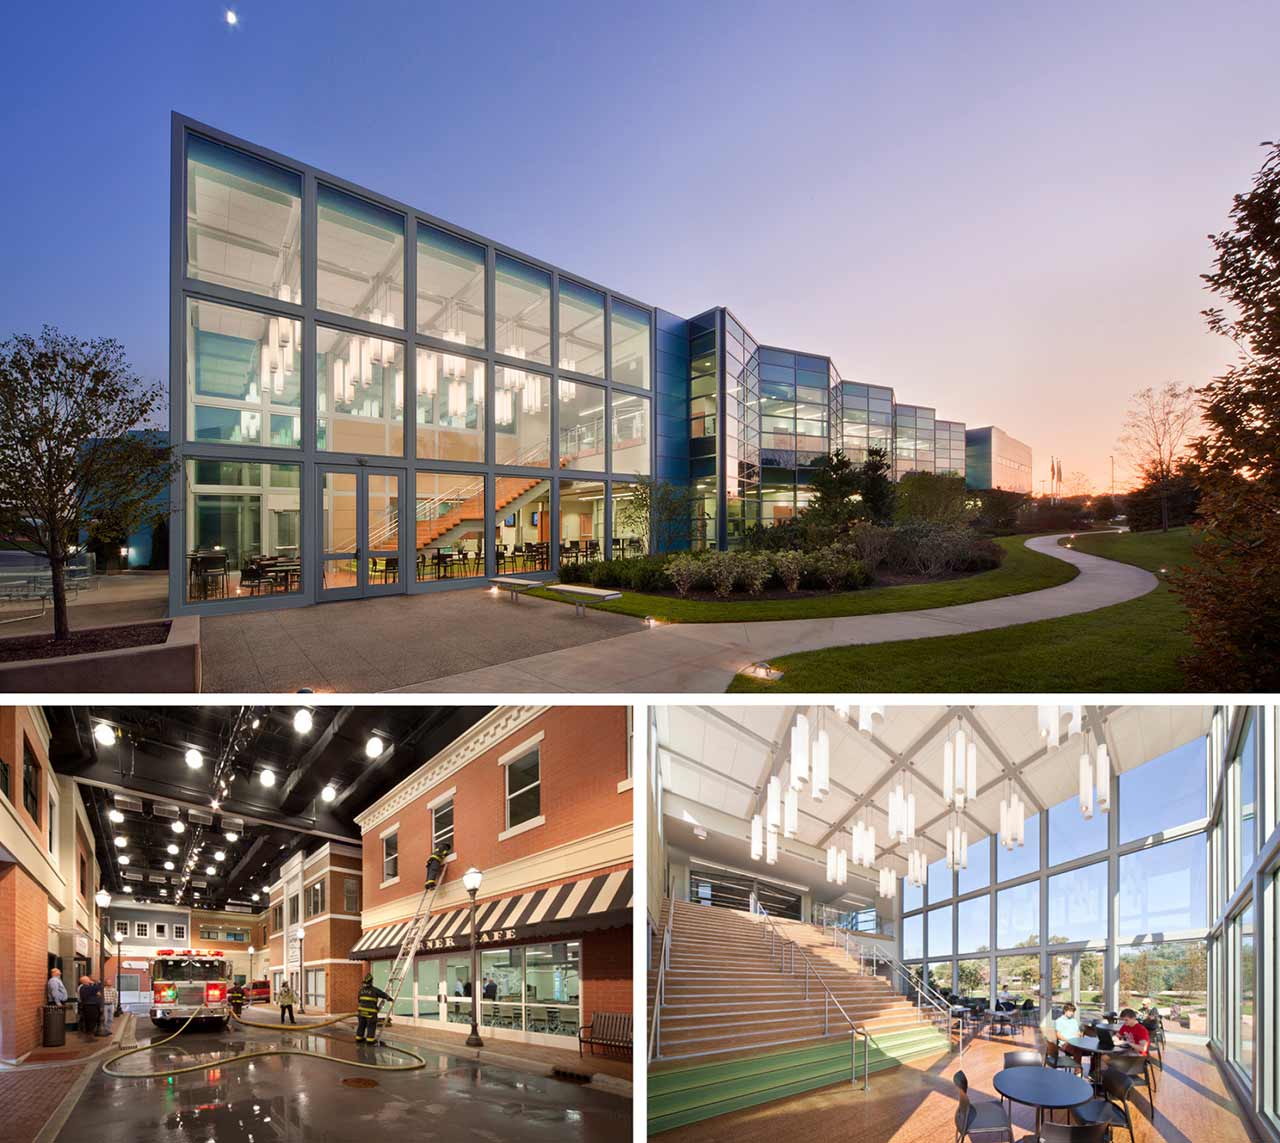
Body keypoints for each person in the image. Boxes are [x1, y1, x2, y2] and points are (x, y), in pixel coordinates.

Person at [355, 974, 392, 1043]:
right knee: (371, 1026)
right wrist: (389, 998)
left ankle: (359, 1038)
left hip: (361, 1012)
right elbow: (383, 994)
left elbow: (359, 1000)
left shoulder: (361, 990)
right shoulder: (374, 990)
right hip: (371, 1013)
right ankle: (370, 1040)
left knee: (361, 1025)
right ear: (371, 982)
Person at [77, 975, 103, 1040]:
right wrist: (98, 982)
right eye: (88, 979)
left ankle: (90, 1036)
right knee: (91, 1021)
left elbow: (96, 992)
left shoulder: (87, 987)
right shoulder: (84, 987)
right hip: (90, 1006)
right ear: (85, 981)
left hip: (91, 1006)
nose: (90, 980)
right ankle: (89, 1037)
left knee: (91, 1021)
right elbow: (98, 987)